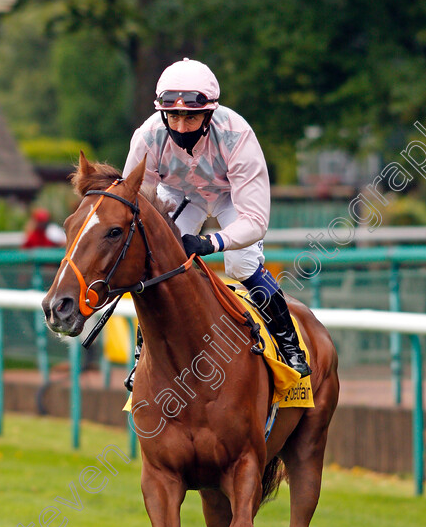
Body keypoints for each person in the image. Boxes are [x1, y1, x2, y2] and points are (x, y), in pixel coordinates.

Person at [122, 57, 311, 389]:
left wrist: (210, 243)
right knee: (156, 262)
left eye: (191, 116)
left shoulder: (237, 135)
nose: (180, 127)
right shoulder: (147, 136)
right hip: (180, 194)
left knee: (241, 264)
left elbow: (254, 220)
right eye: (174, 116)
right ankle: (143, 353)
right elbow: (134, 199)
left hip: (229, 194)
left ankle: (289, 343)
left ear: (208, 113)